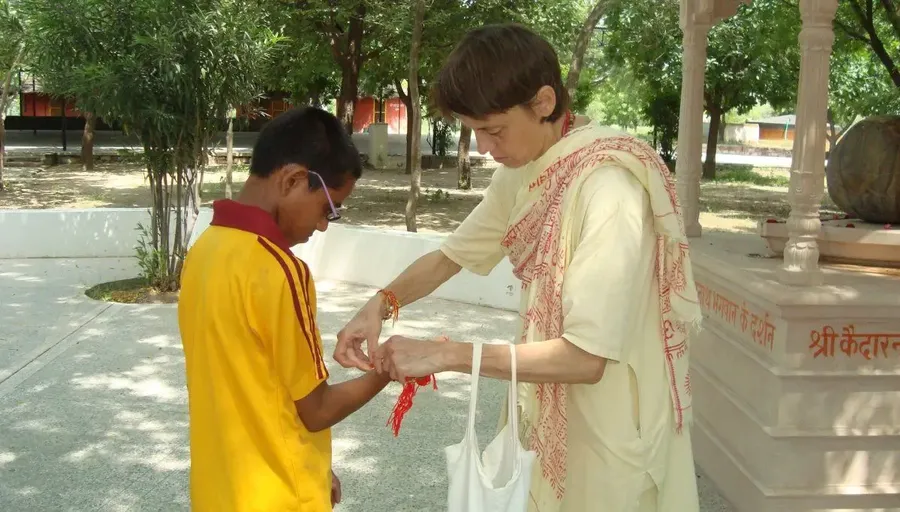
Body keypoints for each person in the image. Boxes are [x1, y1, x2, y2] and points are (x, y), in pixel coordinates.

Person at [334, 24, 703, 512]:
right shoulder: (530, 168)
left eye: (494, 129)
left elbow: (585, 360)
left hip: (613, 434)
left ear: (544, 102)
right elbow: (451, 257)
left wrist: (444, 355)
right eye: (476, 131)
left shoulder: (609, 190)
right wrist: (379, 305)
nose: (485, 146)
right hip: (548, 417)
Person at [178, 106, 391, 512]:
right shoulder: (281, 269)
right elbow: (317, 409)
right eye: (329, 207)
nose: (325, 225)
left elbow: (254, 386)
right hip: (280, 496)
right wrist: (389, 365)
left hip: (218, 491)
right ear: (293, 180)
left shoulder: (205, 250)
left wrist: (314, 464)